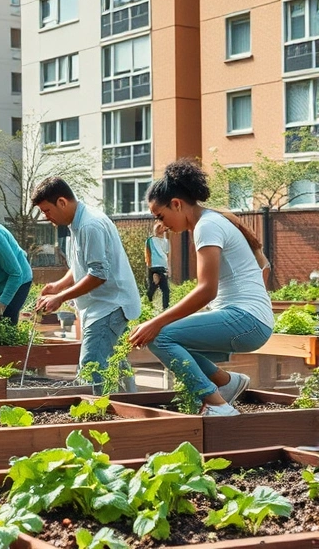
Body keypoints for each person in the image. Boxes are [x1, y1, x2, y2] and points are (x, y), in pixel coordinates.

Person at [129, 159, 273, 416]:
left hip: (246, 321)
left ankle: (217, 406)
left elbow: (207, 290)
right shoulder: (211, 221)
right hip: (250, 322)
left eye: (161, 216)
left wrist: (155, 322)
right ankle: (227, 384)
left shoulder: (207, 226)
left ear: (177, 203)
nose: (162, 225)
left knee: (161, 336)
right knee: (171, 339)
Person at [32, 177, 141, 394]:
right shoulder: (77, 223)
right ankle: (133, 409)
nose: (46, 217)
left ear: (62, 202)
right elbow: (81, 266)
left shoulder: (90, 225)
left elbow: (98, 275)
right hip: (103, 306)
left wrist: (60, 298)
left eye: (47, 210)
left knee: (91, 365)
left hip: (109, 306)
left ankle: (95, 416)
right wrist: (58, 286)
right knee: (114, 363)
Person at [145, 222, 171, 309]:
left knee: (155, 285)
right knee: (165, 289)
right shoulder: (151, 240)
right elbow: (148, 252)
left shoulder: (166, 241)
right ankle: (165, 307)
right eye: (161, 227)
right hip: (155, 266)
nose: (163, 228)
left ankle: (148, 300)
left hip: (163, 266)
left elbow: (167, 255)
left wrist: (168, 267)